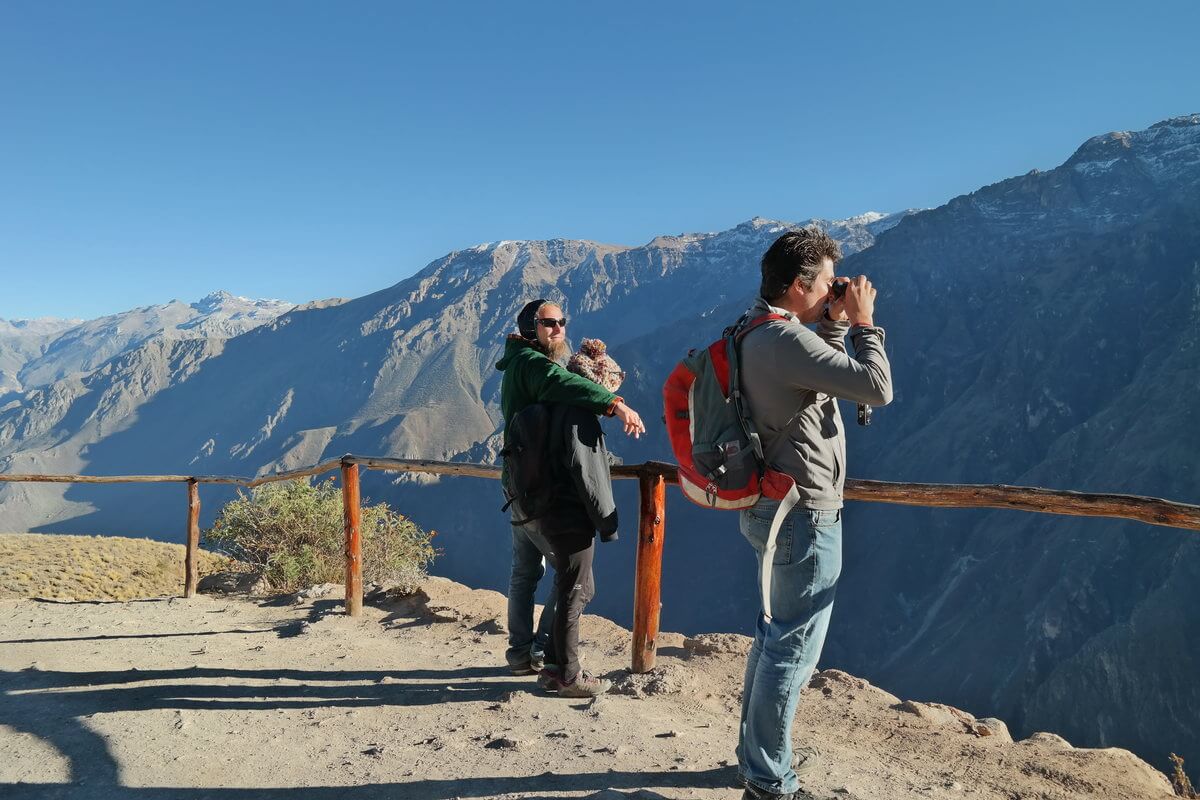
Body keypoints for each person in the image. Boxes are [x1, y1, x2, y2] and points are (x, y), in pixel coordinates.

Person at [734, 229, 893, 800]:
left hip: (772, 507)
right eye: (827, 281)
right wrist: (866, 323)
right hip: (804, 515)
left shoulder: (759, 332)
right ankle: (769, 777)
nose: (838, 288)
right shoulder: (783, 340)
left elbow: (814, 377)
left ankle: (754, 758)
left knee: (773, 634)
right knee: (791, 646)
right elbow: (876, 389)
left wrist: (833, 325)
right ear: (800, 285)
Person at [494, 299, 645, 690]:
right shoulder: (534, 366)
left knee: (525, 573)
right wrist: (614, 404)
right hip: (543, 492)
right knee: (575, 581)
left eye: (562, 321)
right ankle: (554, 660)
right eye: (548, 323)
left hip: (518, 485)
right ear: (530, 328)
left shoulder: (518, 365)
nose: (558, 328)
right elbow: (563, 385)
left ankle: (520, 656)